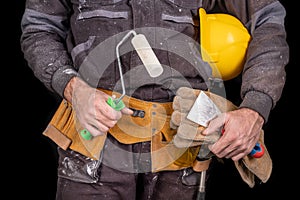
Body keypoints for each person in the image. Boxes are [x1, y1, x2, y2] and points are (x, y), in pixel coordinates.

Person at [20, 0, 289, 199]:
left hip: (180, 146)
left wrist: (254, 108)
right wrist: (72, 88)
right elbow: (39, 28)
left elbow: (267, 18)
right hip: (92, 145)